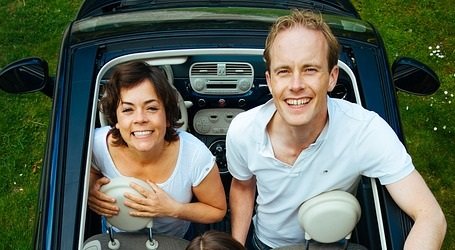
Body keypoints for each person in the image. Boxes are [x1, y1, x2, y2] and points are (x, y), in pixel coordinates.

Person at [226, 9, 446, 250]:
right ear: (269, 81)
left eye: (310, 69)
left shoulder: (364, 131)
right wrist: (237, 245)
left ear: (332, 77)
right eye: (284, 71)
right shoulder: (242, 131)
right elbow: (243, 186)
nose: (296, 85)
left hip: (328, 245)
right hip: (265, 243)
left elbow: (429, 215)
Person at [88, 61, 227, 238]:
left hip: (175, 240)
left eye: (152, 108)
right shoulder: (96, 144)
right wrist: (90, 188)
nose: (140, 119)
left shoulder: (194, 155)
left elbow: (217, 210)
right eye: (128, 110)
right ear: (115, 118)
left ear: (167, 116)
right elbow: (89, 171)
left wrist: (173, 209)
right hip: (115, 236)